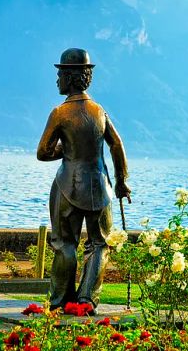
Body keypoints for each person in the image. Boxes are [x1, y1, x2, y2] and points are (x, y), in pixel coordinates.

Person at [37, 48, 131, 315]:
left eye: (60, 75)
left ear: (70, 77)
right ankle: (87, 300)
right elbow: (117, 146)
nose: (57, 80)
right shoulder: (99, 110)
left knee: (65, 243)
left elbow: (43, 152)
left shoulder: (59, 113)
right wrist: (122, 181)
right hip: (100, 186)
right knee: (100, 244)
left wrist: (66, 152)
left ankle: (59, 301)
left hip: (67, 186)